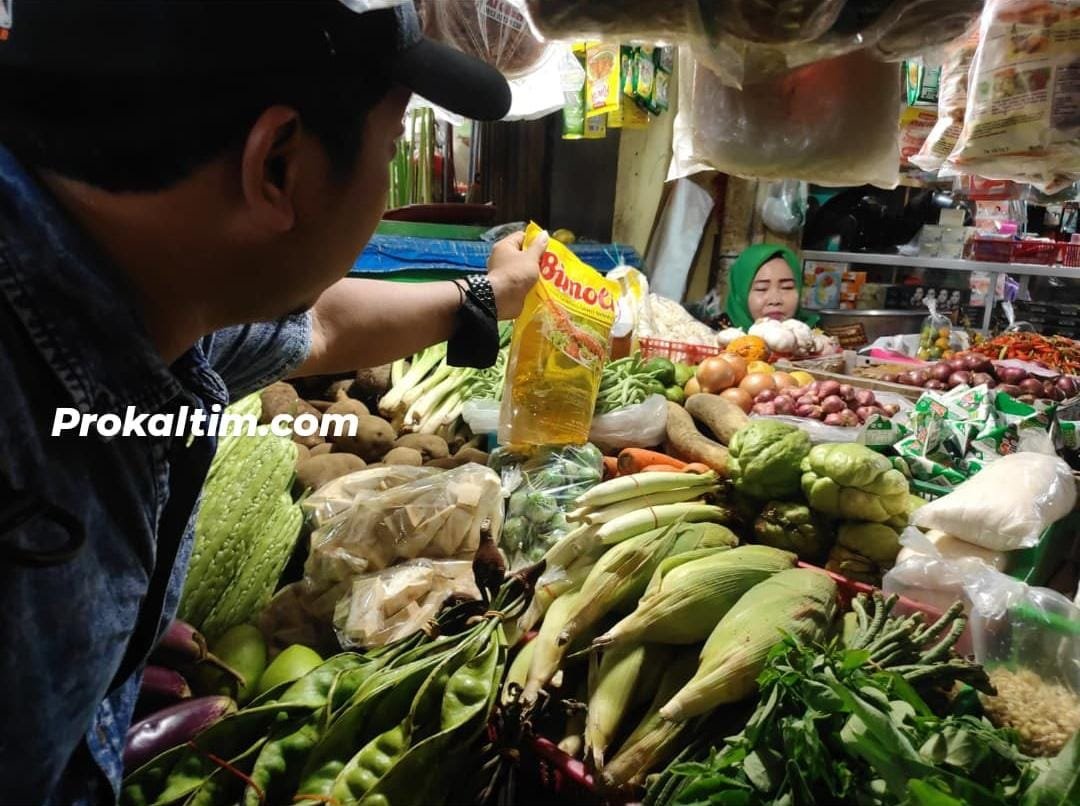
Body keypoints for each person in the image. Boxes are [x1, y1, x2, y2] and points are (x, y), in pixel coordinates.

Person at [0, 2, 543, 802]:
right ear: (279, 165)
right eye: (392, 151)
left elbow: (318, 326)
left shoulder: (149, 289)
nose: (388, 182)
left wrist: (489, 295)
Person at [724, 243, 819, 329]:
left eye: (787, 287)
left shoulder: (815, 340)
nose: (775, 300)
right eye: (762, 289)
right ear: (740, 295)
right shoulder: (715, 339)